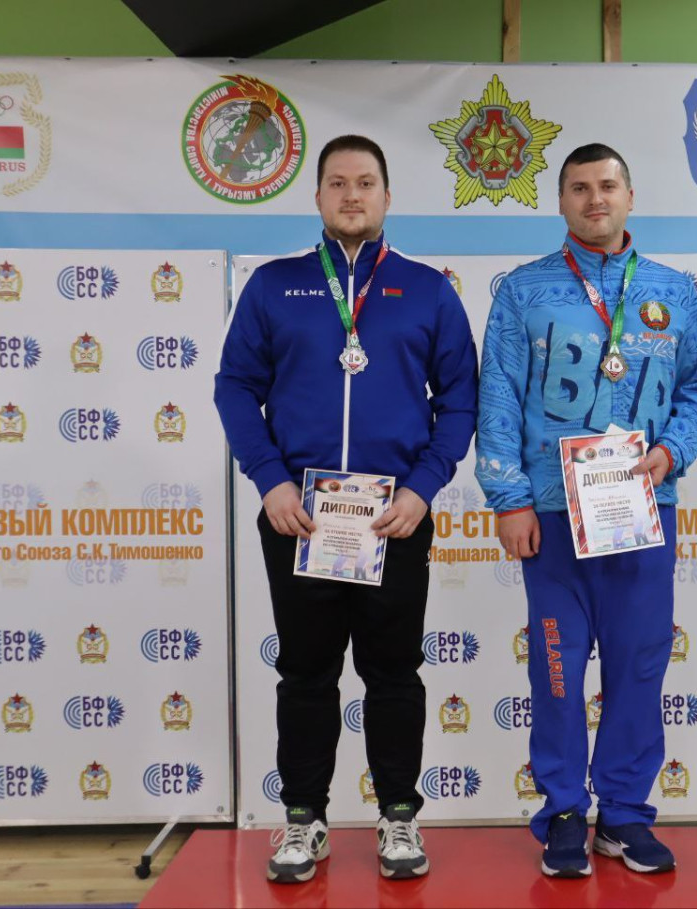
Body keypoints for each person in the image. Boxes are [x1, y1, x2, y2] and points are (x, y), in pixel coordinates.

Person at [214, 134, 478, 883]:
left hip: (393, 518)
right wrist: (271, 480)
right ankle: (304, 819)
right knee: (305, 672)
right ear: (319, 196)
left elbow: (461, 399)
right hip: (299, 516)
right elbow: (235, 387)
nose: (352, 195)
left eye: (365, 182)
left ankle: (398, 816)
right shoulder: (275, 285)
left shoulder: (427, 290)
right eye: (338, 182)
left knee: (394, 672)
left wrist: (422, 488)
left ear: (387, 196)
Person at [476, 143, 697, 878]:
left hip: (643, 510)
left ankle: (624, 815)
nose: (594, 199)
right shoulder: (523, 290)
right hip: (552, 517)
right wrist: (510, 499)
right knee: (556, 671)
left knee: (639, 666)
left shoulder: (673, 290)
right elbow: (498, 396)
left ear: (630, 194)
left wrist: (671, 451)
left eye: (607, 185)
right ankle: (561, 812)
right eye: (579, 188)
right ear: (561, 201)